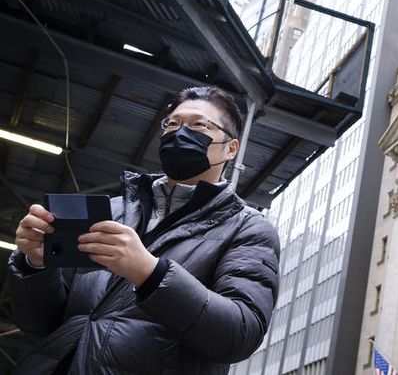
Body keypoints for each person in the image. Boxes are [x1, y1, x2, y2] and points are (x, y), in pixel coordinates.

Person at [8, 86, 280, 374]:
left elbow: (240, 333)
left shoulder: (248, 227)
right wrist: (35, 264)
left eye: (199, 124)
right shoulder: (111, 211)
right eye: (172, 124)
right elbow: (40, 324)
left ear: (230, 148)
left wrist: (150, 273)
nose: (180, 133)